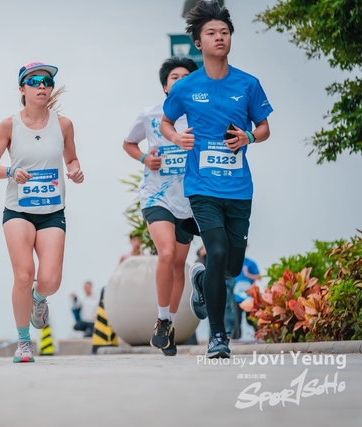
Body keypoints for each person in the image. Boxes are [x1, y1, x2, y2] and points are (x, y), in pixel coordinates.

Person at [160, 1, 273, 358]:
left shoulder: (248, 84)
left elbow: (264, 128)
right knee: (218, 251)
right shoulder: (186, 87)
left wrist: (248, 136)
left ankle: (200, 277)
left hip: (238, 188)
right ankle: (218, 337)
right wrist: (177, 138)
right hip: (202, 186)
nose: (219, 37)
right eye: (211, 33)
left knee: (232, 265)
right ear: (199, 42)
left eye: (224, 32)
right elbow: (165, 122)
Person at [0, 62, 84, 363]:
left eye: (47, 81)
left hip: (52, 211)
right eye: (35, 81)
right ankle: (24, 342)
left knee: (50, 280)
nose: (42, 85)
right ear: (22, 88)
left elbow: (72, 159)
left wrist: (76, 171)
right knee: (24, 275)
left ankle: (39, 299)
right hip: (18, 210)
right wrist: (11, 171)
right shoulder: (9, 125)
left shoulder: (63, 125)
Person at [123, 56, 198, 356]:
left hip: (189, 201)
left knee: (179, 266)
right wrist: (145, 158)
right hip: (157, 197)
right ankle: (162, 319)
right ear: (166, 86)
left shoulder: (201, 116)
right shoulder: (150, 115)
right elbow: (128, 143)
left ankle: (170, 325)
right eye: (174, 77)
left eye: (186, 77)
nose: (180, 81)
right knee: (166, 254)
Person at [233, 255, 261, 339]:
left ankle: (260, 336)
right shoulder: (232, 263)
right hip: (236, 298)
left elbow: (259, 277)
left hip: (249, 298)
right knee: (236, 320)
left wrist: (248, 274)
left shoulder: (250, 263)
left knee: (251, 320)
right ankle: (236, 339)